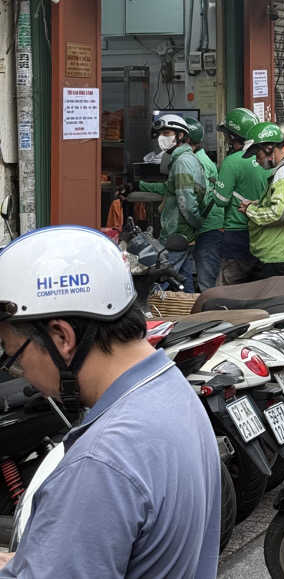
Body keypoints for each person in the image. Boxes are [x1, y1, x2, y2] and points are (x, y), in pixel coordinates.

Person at [0, 226, 220, 578]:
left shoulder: (101, 462)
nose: (20, 372)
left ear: (61, 337)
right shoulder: (171, 391)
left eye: (14, 357)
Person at [139, 113, 205, 292]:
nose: (162, 138)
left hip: (178, 233)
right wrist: (141, 185)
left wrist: (196, 224)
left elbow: (186, 202)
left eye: (167, 133)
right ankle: (190, 311)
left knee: (162, 277)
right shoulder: (182, 159)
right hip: (183, 233)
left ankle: (148, 312)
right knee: (184, 280)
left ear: (181, 135)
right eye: (161, 134)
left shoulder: (182, 163)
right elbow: (171, 190)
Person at [240, 122, 284, 277]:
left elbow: (279, 213)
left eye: (258, 155)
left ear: (269, 148)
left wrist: (250, 210)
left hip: (276, 257)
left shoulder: (283, 174)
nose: (257, 161)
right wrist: (259, 204)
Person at [213, 107, 269, 285]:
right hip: (263, 232)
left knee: (227, 290)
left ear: (232, 136)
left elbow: (220, 200)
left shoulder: (232, 161)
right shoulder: (267, 159)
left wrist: (217, 186)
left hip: (237, 233)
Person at [184, 119, 225, 291]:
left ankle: (211, 315)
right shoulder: (198, 159)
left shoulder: (197, 162)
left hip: (209, 227)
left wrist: (194, 221)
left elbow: (201, 196)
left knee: (207, 281)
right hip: (210, 225)